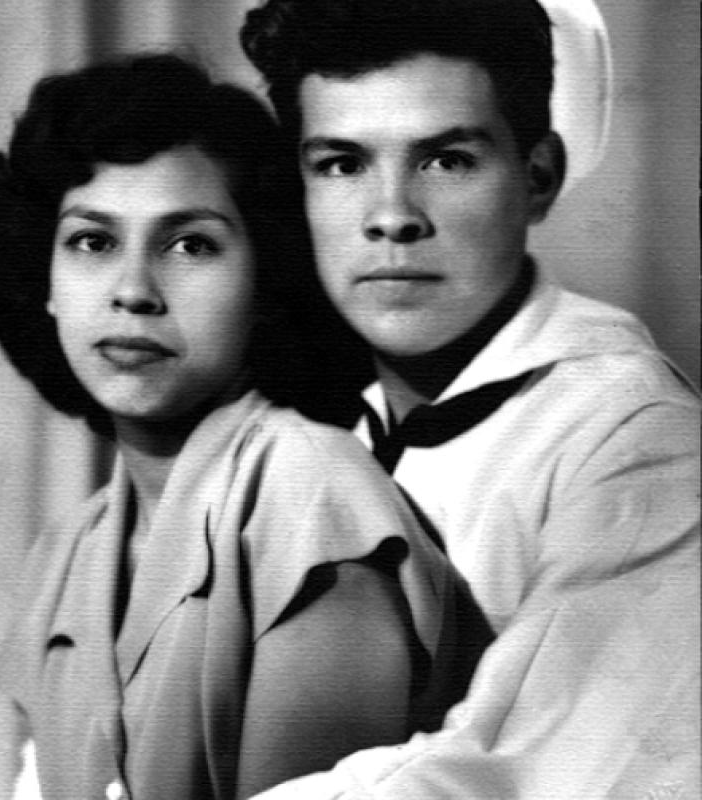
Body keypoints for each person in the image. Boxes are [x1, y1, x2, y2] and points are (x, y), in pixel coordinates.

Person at [0, 53, 491, 800]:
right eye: (92, 241)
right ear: (41, 282)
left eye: (191, 245)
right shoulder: (68, 552)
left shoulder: (311, 492)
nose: (134, 292)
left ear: (268, 281)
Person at [240, 0, 701, 797]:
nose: (391, 218)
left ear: (538, 177)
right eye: (342, 164)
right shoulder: (330, 435)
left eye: (446, 160)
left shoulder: (634, 439)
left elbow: (529, 773)